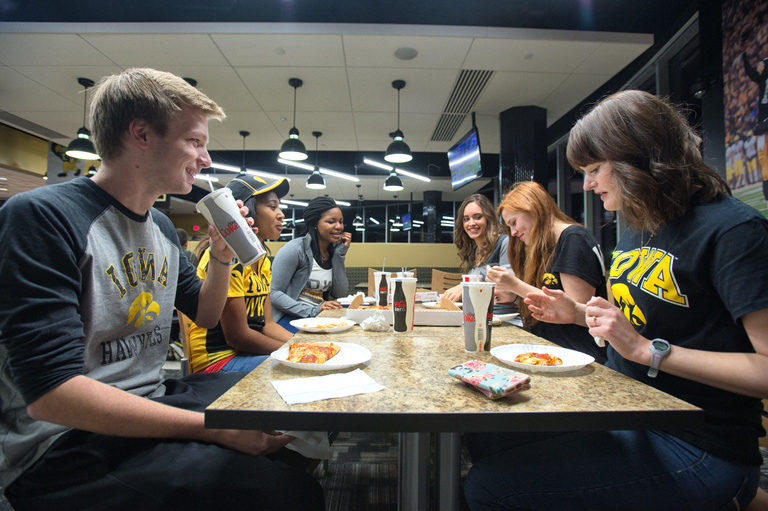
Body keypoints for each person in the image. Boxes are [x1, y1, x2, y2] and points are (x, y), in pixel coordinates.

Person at [0, 68, 324, 511]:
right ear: (141, 134)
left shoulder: (161, 228)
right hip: (64, 444)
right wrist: (209, 428)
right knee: (292, 497)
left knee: (301, 404)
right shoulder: (42, 216)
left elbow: (205, 315)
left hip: (149, 398)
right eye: (194, 141)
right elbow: (51, 396)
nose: (206, 158)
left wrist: (223, 254)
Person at [464, 90, 768, 511]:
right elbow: (630, 324)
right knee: (482, 436)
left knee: (489, 487)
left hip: (699, 442)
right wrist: (574, 312)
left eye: (594, 169)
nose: (586, 183)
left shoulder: (734, 230)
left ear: (641, 159)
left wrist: (648, 351)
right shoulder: (640, 225)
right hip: (627, 410)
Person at [483, 181, 608, 363]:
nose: (514, 232)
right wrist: (512, 295)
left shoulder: (573, 238)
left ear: (532, 209)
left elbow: (576, 311)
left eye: (514, 223)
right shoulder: (543, 246)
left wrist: (515, 285)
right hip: (547, 350)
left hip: (576, 354)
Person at [187, 175, 294, 373]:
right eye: (272, 206)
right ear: (246, 210)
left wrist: (305, 343)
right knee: (301, 370)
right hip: (219, 360)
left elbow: (268, 324)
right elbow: (238, 336)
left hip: (247, 354)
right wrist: (296, 351)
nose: (281, 214)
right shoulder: (228, 257)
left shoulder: (262, 259)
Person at [271, 196, 350, 333]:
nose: (339, 227)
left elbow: (340, 293)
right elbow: (274, 293)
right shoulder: (294, 249)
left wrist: (339, 255)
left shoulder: (332, 252)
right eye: (331, 222)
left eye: (341, 222)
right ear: (315, 223)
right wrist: (313, 310)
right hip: (290, 317)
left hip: (317, 317)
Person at [441, 194, 515, 314]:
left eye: (477, 217)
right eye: (466, 219)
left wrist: (465, 288)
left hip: (503, 317)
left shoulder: (504, 243)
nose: (471, 223)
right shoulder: (474, 251)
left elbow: (509, 289)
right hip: (479, 314)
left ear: (488, 218)